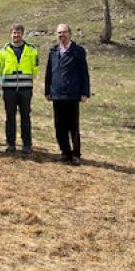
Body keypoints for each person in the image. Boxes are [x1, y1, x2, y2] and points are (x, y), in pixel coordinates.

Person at [44, 24, 91, 166]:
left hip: (72, 93)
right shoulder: (53, 51)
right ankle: (65, 152)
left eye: (64, 32)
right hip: (57, 93)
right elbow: (49, 73)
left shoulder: (78, 51)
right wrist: (47, 90)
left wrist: (84, 92)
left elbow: (84, 73)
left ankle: (76, 154)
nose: (61, 35)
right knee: (59, 126)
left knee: (73, 126)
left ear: (70, 34)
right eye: (59, 33)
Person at [0, 24, 39, 154]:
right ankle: (10, 143)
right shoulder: (3, 51)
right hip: (9, 89)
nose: (16, 35)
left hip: (25, 89)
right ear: (10, 34)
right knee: (10, 117)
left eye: (18, 33)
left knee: (25, 117)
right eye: (14, 33)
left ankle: (27, 144)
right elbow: (0, 68)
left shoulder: (31, 50)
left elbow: (35, 68)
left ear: (22, 34)